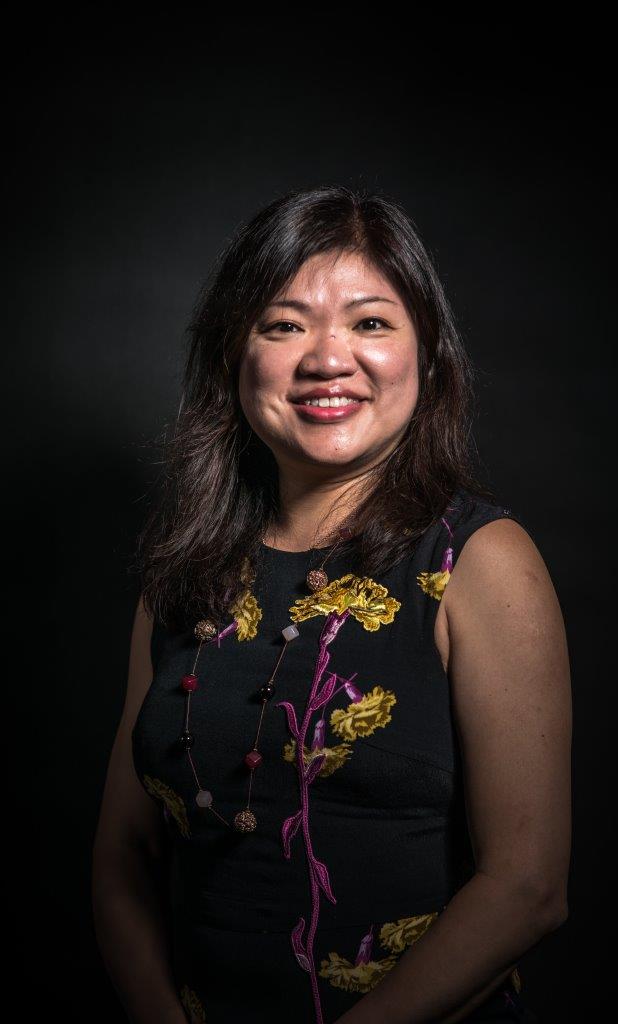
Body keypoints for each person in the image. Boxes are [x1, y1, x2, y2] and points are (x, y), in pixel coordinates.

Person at [92, 185, 571, 1024]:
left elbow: (526, 888)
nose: (326, 359)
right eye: (283, 325)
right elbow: (122, 859)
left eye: (370, 322)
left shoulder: (480, 561)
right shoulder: (185, 567)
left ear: (428, 355)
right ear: (233, 354)